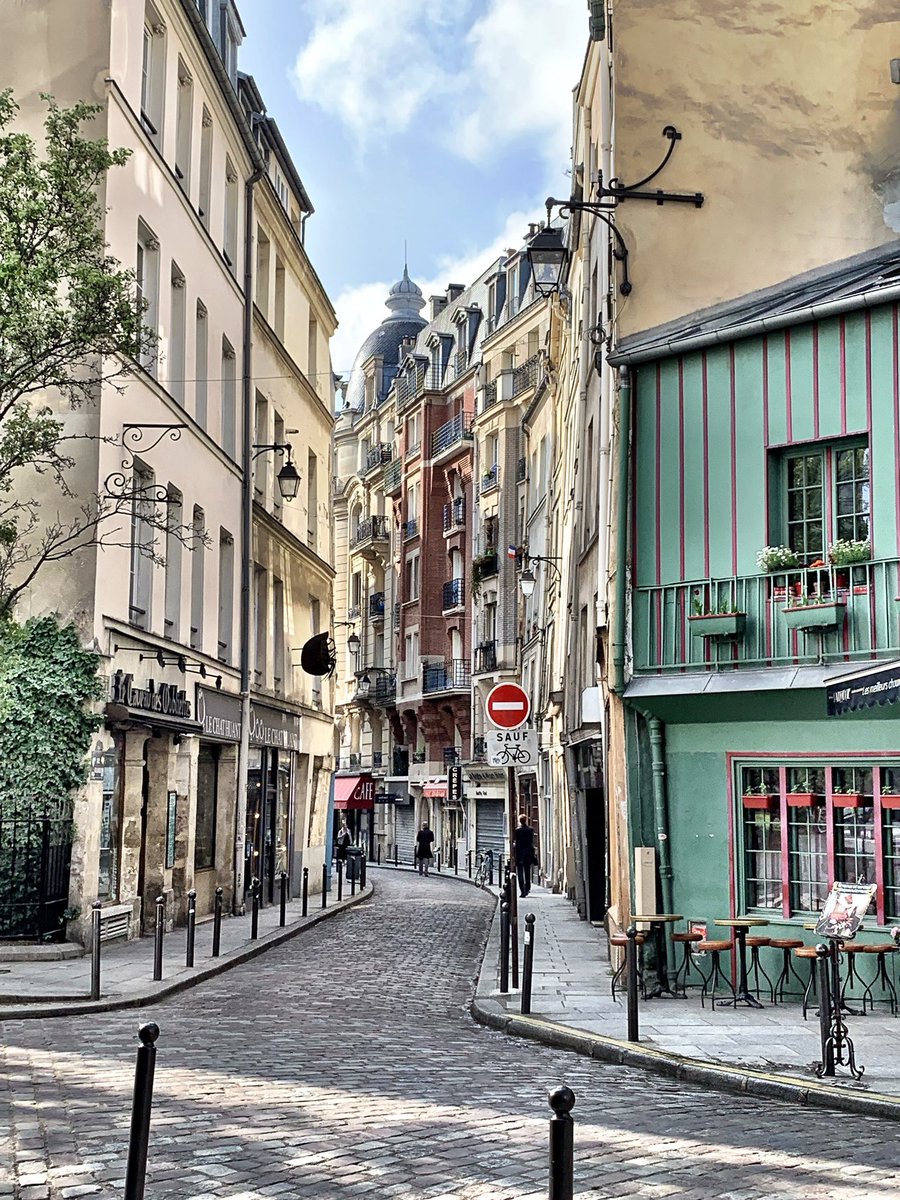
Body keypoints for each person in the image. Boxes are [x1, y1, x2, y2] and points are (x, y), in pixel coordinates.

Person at [514, 813, 537, 898]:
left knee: (520, 873)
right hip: (528, 854)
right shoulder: (530, 830)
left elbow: (516, 843)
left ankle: (522, 891)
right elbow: (531, 842)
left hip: (520, 854)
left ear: (520, 821)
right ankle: (527, 888)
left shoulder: (517, 830)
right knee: (527, 872)